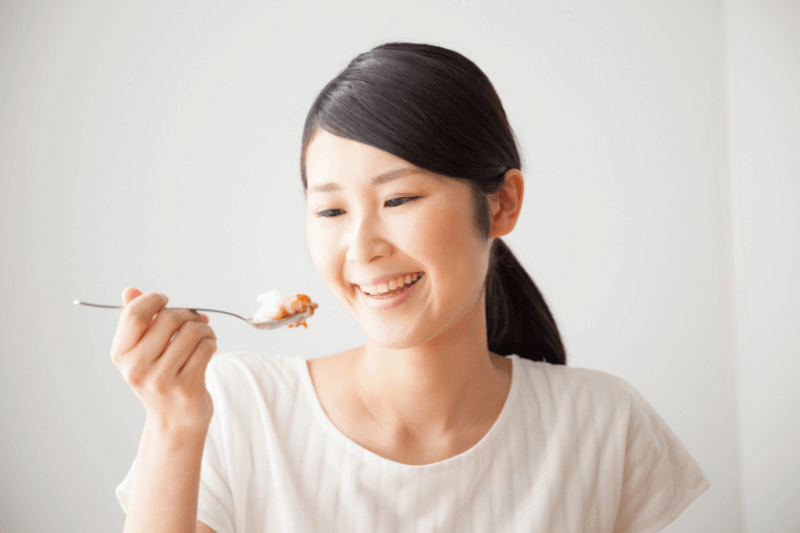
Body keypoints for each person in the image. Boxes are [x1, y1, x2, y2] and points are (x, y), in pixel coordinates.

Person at [113, 42, 710, 533]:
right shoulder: (235, 407)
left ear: (502, 204)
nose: (362, 247)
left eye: (398, 199)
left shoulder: (602, 424)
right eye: (330, 212)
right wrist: (174, 427)